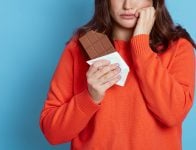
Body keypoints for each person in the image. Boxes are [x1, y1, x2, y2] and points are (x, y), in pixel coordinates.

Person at [40, 0, 196, 149]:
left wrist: (140, 45)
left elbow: (173, 114)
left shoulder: (178, 48)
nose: (127, 5)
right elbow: (53, 133)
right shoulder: (80, 47)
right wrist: (90, 97)